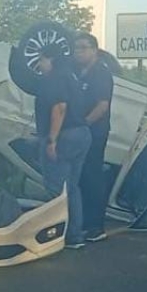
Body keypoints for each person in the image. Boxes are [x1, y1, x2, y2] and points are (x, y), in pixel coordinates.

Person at [35, 43, 92, 249]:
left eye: (42, 60)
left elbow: (59, 107)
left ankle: (55, 236)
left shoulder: (55, 78)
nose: (40, 65)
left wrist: (52, 139)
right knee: (73, 187)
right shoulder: (72, 77)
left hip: (64, 136)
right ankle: (74, 235)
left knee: (55, 188)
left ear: (51, 59)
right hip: (82, 133)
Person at [74, 32, 114, 242]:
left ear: (94, 50)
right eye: (76, 48)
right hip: (82, 132)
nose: (78, 52)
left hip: (94, 132)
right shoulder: (80, 72)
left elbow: (102, 105)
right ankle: (83, 222)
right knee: (80, 178)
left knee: (92, 177)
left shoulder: (100, 73)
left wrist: (84, 124)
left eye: (83, 47)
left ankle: (95, 226)